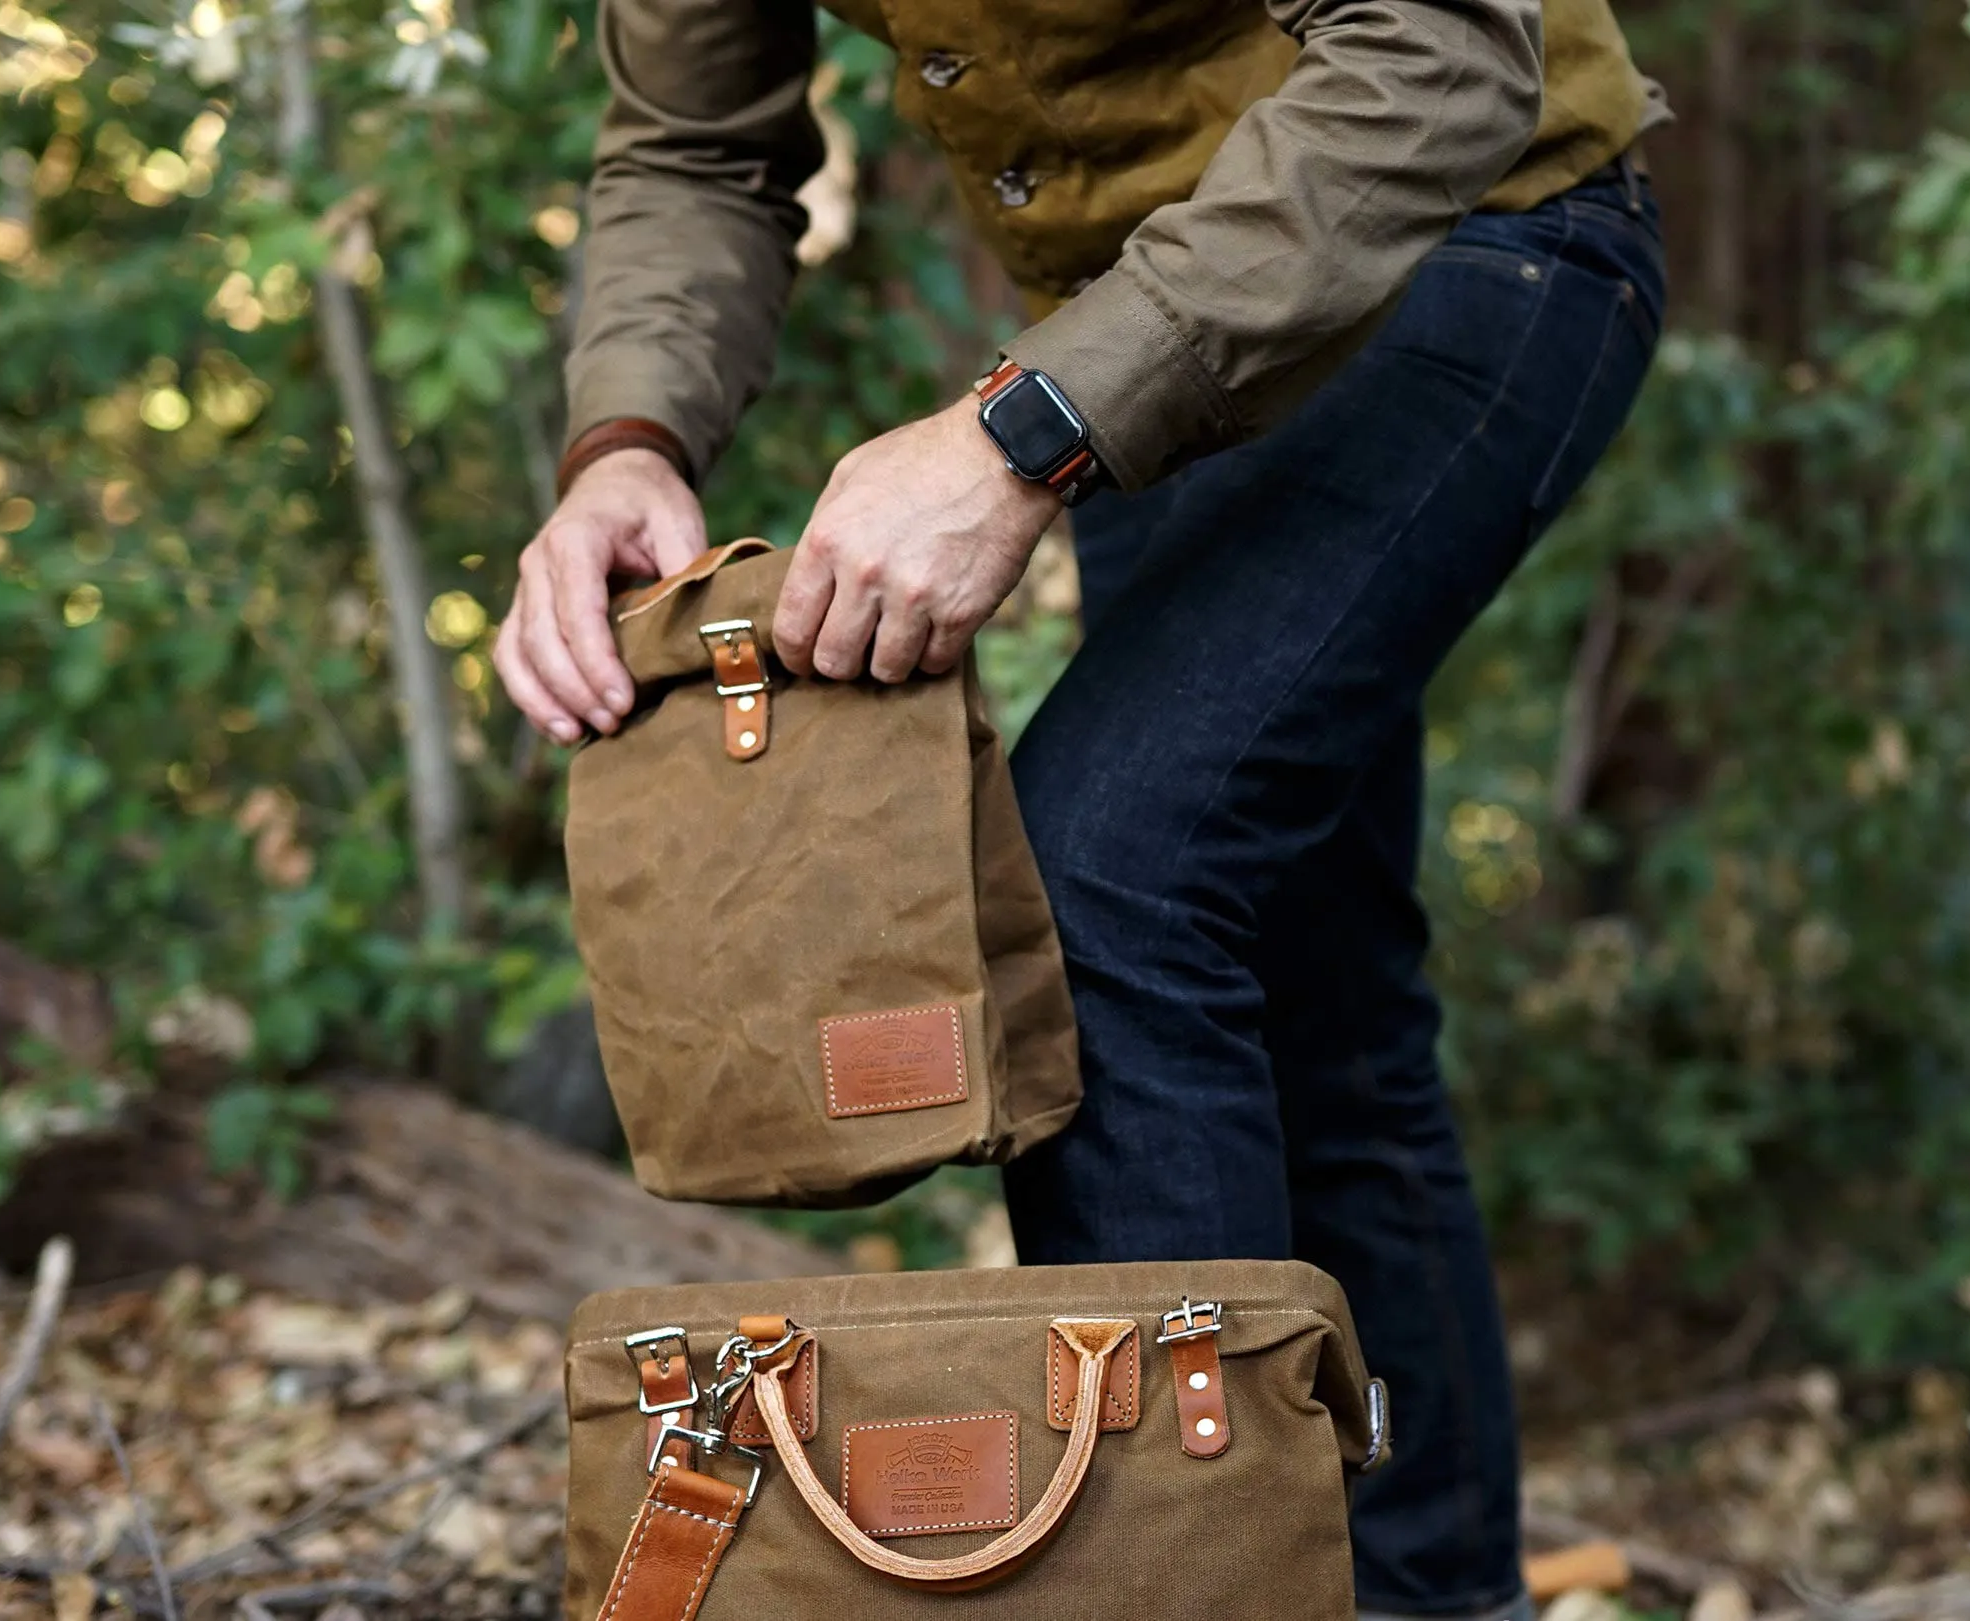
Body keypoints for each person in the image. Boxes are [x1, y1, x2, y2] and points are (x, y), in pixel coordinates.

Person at [494, 3, 1669, 1616]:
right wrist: (625, 439)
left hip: (1466, 245)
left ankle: (1187, 1583)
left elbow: (1441, 55)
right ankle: (1426, 1591)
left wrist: (1018, 438)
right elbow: (698, 140)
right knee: (1312, 1000)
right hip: (1158, 356)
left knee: (1102, 885)